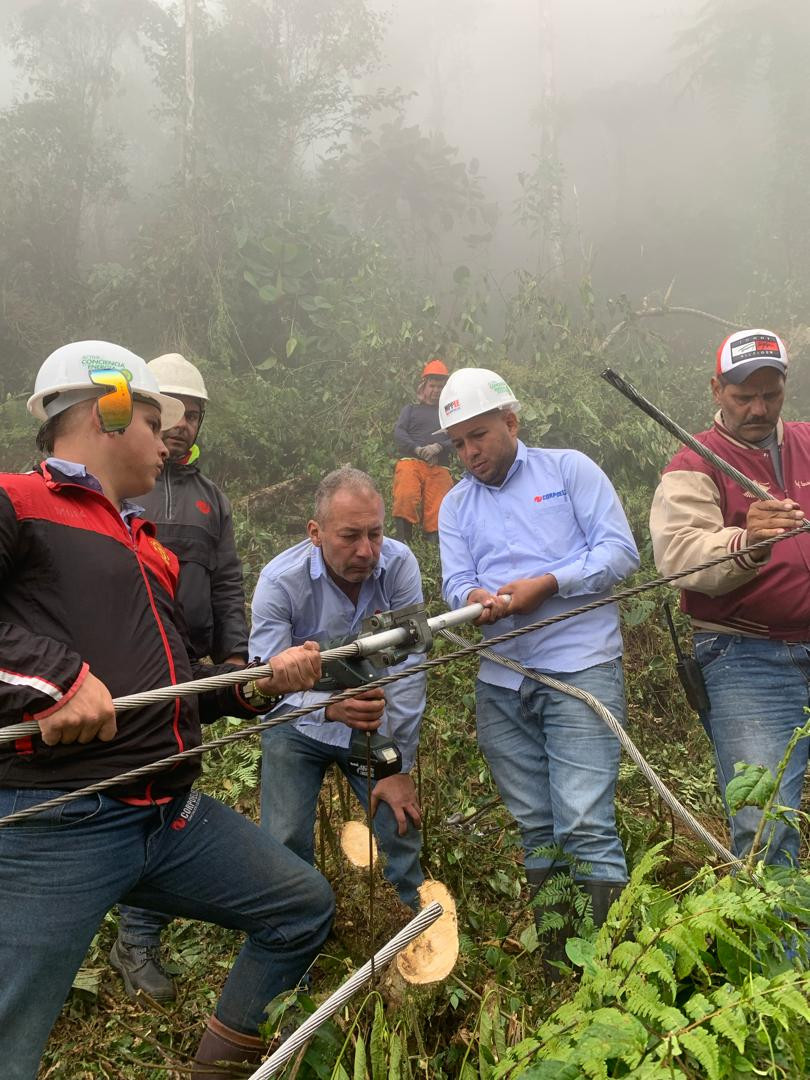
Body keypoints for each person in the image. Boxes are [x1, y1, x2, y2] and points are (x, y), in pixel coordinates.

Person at [0, 341, 334, 1080]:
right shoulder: (15, 501)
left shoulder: (145, 544)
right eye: (156, 422)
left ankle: (215, 1071)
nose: (168, 440)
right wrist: (58, 677)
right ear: (107, 412)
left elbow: (179, 680)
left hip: (166, 814)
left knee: (301, 906)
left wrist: (257, 682)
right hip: (59, 818)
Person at [437, 367, 639, 951]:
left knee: (584, 824)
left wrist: (549, 582)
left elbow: (620, 552)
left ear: (510, 422)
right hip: (501, 681)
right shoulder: (455, 505)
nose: (470, 452)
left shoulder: (568, 469)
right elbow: (456, 582)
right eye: (458, 443)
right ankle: (560, 962)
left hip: (581, 668)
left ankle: (613, 971)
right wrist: (472, 600)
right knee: (537, 828)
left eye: (478, 435)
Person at [112, 352, 250, 1002]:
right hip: (120, 675)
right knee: (129, 796)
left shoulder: (208, 498)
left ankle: (137, 932)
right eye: (170, 410)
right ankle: (124, 930)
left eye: (193, 414)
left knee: (170, 794)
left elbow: (225, 582)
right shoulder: (120, 480)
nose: (182, 424)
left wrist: (235, 658)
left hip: (190, 675)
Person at [650, 328, 809, 866]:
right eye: (744, 396)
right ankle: (777, 952)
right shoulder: (693, 464)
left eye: (770, 394)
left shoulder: (808, 442)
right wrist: (747, 542)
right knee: (765, 827)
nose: (758, 408)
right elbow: (679, 557)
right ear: (716, 390)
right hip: (748, 657)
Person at [251, 467, 425, 908]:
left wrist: (399, 765)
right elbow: (263, 684)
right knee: (284, 836)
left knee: (399, 822)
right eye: (350, 536)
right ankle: (295, 929)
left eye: (375, 533)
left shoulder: (399, 565)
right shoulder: (279, 582)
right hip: (297, 723)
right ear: (316, 532)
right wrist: (326, 709)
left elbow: (409, 668)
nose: (366, 551)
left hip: (371, 715)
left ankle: (416, 919)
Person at [392, 358, 454, 543]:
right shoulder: (410, 410)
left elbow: (459, 437)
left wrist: (439, 446)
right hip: (412, 462)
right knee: (406, 493)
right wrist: (417, 449)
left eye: (440, 387)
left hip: (439, 467)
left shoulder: (450, 413)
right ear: (424, 386)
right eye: (432, 386)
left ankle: (433, 549)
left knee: (439, 507)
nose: (436, 391)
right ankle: (404, 543)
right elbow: (399, 432)